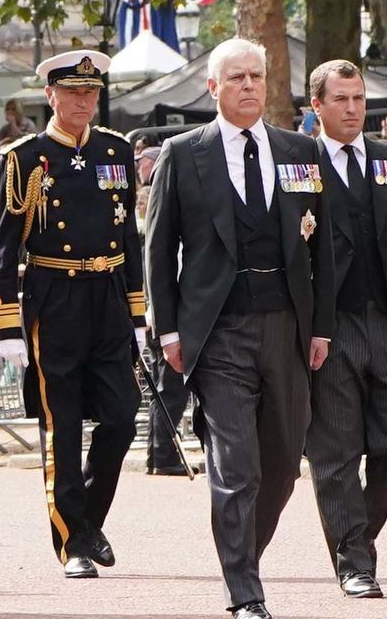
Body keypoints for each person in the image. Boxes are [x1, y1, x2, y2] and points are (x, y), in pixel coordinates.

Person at [146, 38, 334, 619]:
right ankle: (244, 591)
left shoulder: (301, 149)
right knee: (237, 465)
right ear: (214, 88)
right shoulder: (182, 153)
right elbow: (158, 249)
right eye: (237, 78)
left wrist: (321, 327)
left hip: (287, 326)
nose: (249, 85)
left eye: (257, 75)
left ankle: (241, 553)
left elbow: (322, 248)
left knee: (281, 467)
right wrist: (169, 331)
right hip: (217, 330)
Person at [0, 49, 146, 579]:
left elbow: (130, 237)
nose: (83, 101)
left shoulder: (116, 151)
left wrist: (139, 313)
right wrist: (7, 322)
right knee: (64, 425)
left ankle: (88, 519)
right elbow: (5, 248)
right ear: (50, 96)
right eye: (72, 92)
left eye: (91, 92)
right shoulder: (25, 159)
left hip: (107, 296)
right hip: (53, 296)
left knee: (122, 417)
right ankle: (72, 542)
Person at [305, 59, 387, 600]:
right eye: (341, 99)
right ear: (317, 105)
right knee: (336, 452)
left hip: (384, 320)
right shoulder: (295, 162)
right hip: (329, 329)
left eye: (358, 99)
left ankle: (355, 538)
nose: (353, 109)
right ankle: (354, 561)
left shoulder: (384, 159)